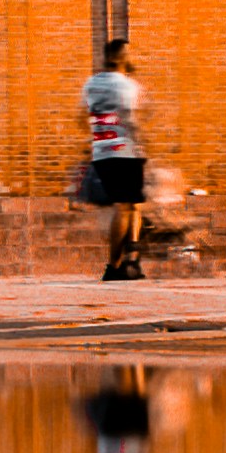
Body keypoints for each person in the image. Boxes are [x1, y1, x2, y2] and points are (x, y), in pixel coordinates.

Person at [82, 38, 150, 281]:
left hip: (101, 150)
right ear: (123, 57)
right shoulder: (127, 86)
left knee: (133, 204)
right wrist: (142, 144)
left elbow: (83, 118)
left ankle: (132, 260)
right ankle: (114, 266)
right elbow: (131, 119)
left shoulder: (91, 84)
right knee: (124, 206)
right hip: (125, 149)